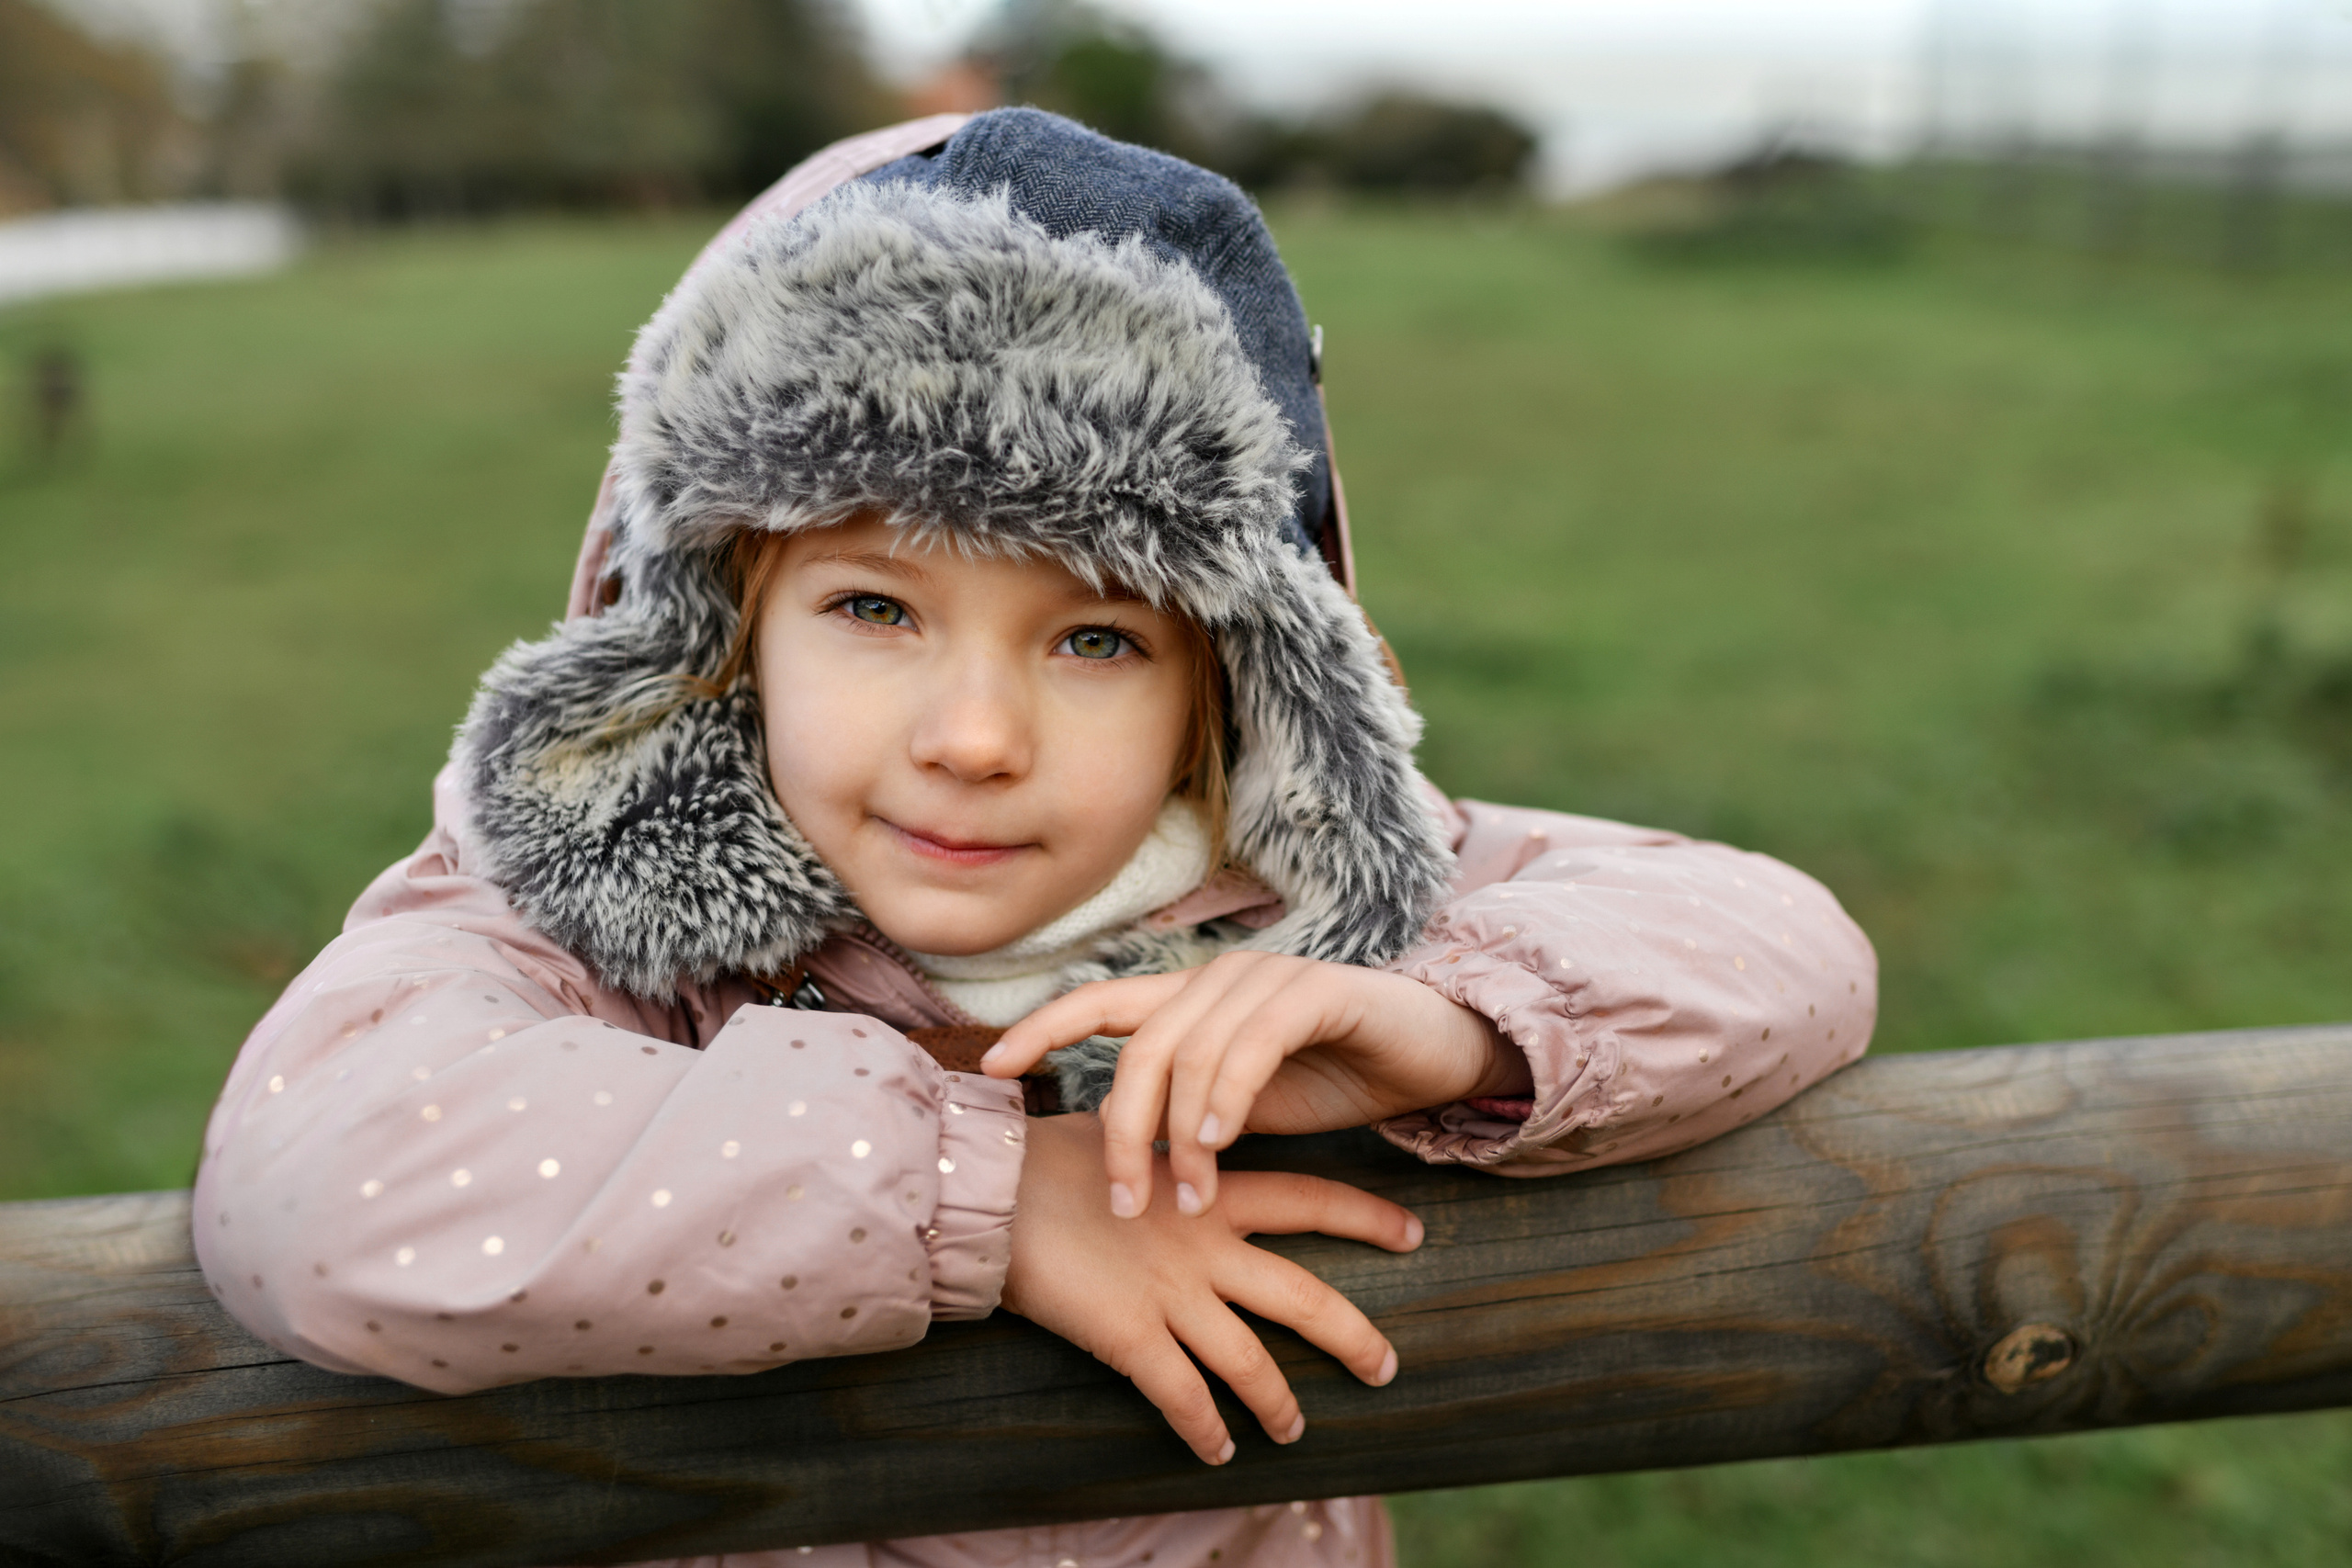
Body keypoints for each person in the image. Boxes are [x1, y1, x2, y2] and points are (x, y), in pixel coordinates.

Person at [193, 108, 1877, 1567]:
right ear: (714, 630)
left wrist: (1449, 1023)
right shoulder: (589, 911)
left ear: (1233, 682)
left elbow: (1782, 941)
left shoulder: (1303, 883)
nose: (976, 739)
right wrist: (980, 1196)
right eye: (872, 606)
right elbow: (313, 1182)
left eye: (1095, 642)